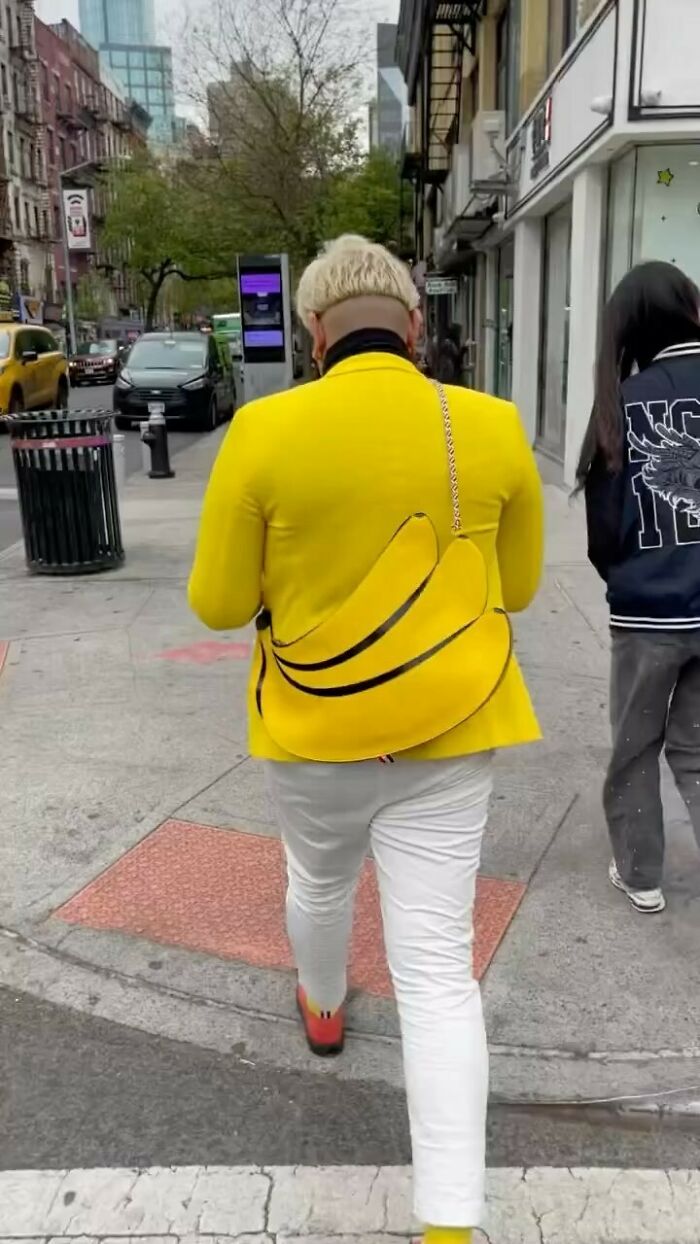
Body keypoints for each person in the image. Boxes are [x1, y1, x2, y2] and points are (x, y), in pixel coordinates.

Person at [189, 235, 543, 1242]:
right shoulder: (489, 423)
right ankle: (447, 1224)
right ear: (416, 325)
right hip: (451, 725)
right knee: (437, 968)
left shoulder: (263, 430)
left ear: (311, 332)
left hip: (312, 728)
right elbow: (513, 589)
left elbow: (217, 602)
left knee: (318, 880)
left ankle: (324, 1001)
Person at [576, 260, 700, 916]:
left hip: (649, 613)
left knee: (637, 745)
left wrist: (629, 580)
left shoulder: (623, 401)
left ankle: (641, 873)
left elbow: (604, 531)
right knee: (697, 749)